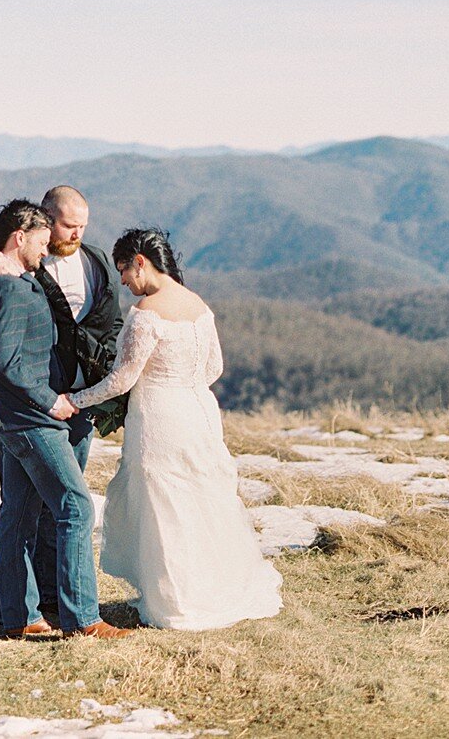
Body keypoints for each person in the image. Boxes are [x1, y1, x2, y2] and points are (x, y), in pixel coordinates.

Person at [68, 228, 283, 630]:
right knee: (201, 497)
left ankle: (175, 599)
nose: (124, 282)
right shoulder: (198, 305)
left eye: (124, 271)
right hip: (198, 412)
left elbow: (122, 379)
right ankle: (214, 588)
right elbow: (214, 368)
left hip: (160, 416)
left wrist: (75, 400)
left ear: (140, 262)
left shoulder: (147, 312)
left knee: (164, 505)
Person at [0, 185, 121, 622]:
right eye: (69, 226)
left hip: (80, 402)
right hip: (29, 402)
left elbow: (109, 322)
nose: (77, 234)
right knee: (38, 507)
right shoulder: (7, 262)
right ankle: (26, 609)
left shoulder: (96, 261)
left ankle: (46, 602)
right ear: (43, 221)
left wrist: (102, 380)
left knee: (53, 508)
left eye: (83, 226)